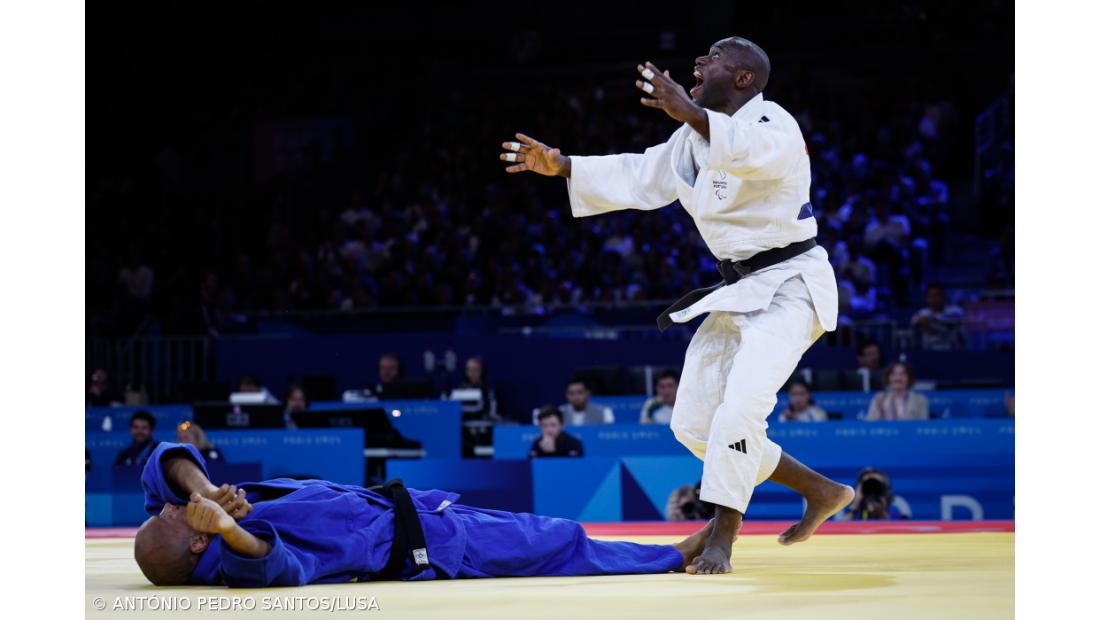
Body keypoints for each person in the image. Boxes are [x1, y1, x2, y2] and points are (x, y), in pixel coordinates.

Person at [501, 36, 853, 574]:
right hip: (737, 290)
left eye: (712, 58)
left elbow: (748, 154)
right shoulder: (689, 141)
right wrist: (565, 165)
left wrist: (689, 111)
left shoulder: (773, 125)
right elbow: (640, 174)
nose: (697, 62)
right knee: (691, 425)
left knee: (740, 408)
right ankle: (821, 490)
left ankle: (721, 539)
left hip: (791, 285)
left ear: (742, 80)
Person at [134, 442, 712, 586]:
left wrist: (206, 489)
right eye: (167, 518)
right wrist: (232, 527)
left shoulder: (203, 508)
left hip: (414, 513)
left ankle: (663, 554)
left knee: (546, 536)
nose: (167, 507)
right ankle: (670, 555)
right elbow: (273, 567)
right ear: (192, 545)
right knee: (556, 541)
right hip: (424, 546)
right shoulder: (231, 559)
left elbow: (164, 457)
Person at [835, 467, 910, 521]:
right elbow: (840, 529)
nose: (872, 489)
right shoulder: (850, 511)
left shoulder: (896, 509)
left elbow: (899, 530)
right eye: (867, 485)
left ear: (885, 488)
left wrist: (882, 512)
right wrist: (854, 507)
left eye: (876, 485)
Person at [865, 362, 929, 421]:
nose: (898, 378)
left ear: (909, 378)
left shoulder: (920, 400)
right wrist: (881, 411)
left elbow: (923, 426)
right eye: (894, 374)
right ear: (888, 378)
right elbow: (870, 424)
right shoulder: (879, 398)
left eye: (902, 374)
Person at [911, 284, 966, 350]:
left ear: (943, 297)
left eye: (937, 295)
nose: (934, 299)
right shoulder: (923, 312)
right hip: (929, 352)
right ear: (927, 299)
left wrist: (933, 319)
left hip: (952, 351)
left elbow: (951, 320)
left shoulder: (956, 311)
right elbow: (914, 321)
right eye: (930, 296)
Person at [459, 356, 498, 421]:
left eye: (475, 370)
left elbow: (492, 409)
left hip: (483, 422)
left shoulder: (488, 388)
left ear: (482, 371)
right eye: (469, 369)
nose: (472, 373)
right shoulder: (461, 388)